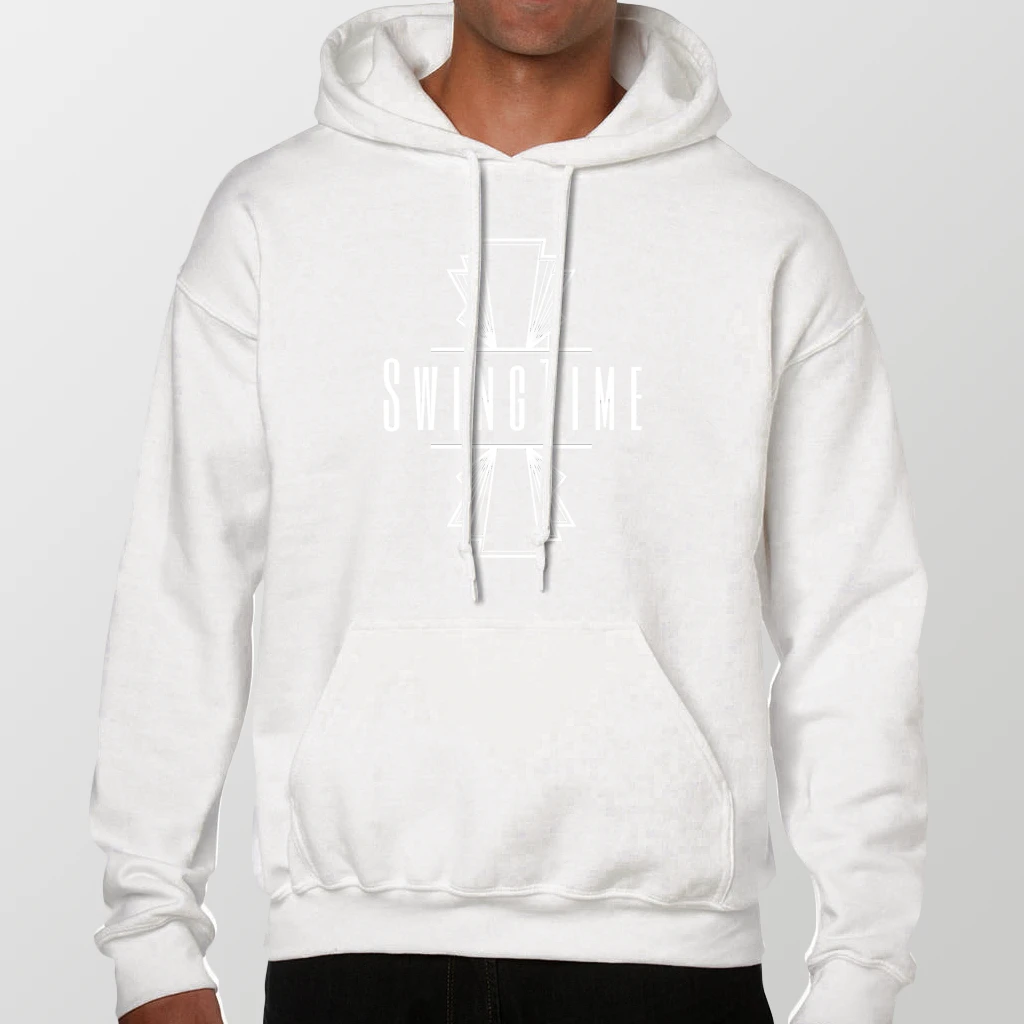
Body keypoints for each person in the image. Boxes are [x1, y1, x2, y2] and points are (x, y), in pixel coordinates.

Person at [90, 2, 929, 1022]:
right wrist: (153, 942)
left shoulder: (765, 242)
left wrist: (861, 973)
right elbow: (183, 579)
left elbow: (851, 615)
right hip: (350, 956)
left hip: (674, 966)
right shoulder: (276, 220)